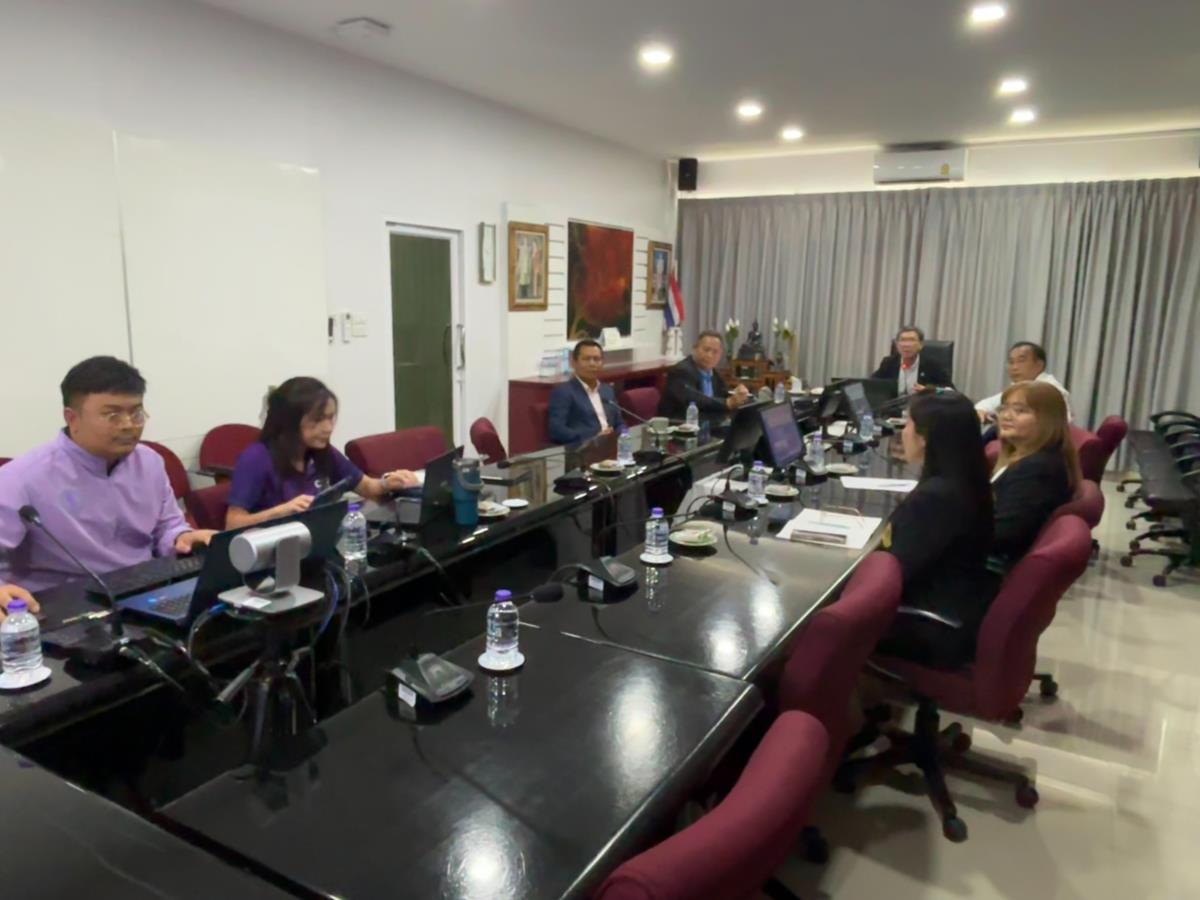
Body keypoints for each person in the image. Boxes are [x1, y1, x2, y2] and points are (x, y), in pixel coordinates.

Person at [0, 356, 216, 613]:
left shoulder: (150, 462)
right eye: (112, 415)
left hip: (147, 590)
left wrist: (183, 537)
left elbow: (167, 527)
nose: (128, 425)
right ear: (72, 418)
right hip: (67, 606)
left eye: (136, 413)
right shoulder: (21, 478)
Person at [875, 392, 999, 669]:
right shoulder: (966, 478)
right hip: (956, 605)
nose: (903, 432)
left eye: (908, 424)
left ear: (926, 438)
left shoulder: (937, 497)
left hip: (929, 624)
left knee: (820, 620)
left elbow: (890, 575)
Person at [226, 377, 419, 529]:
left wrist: (388, 482)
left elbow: (367, 487)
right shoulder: (256, 459)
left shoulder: (322, 452)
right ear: (289, 420)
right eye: (318, 420)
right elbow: (233, 524)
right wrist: (279, 513)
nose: (328, 428)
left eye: (331, 418)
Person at [990, 380, 1079, 564]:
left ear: (1046, 420)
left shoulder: (1037, 469)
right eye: (1004, 408)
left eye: (1020, 410)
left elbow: (1003, 535)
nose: (1006, 416)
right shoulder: (1025, 457)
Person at [658, 330, 751, 421]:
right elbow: (695, 399)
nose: (710, 355)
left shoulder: (715, 374)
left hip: (707, 424)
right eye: (706, 350)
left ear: (720, 355)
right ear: (694, 349)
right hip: (678, 425)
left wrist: (739, 395)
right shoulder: (681, 371)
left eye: (715, 352)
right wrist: (727, 403)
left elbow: (724, 395)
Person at [546, 340, 622, 445]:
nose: (592, 364)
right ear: (573, 363)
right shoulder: (563, 392)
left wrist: (623, 436)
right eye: (586, 359)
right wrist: (594, 437)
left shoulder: (607, 390)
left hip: (612, 446)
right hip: (583, 449)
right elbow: (557, 430)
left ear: (602, 363)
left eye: (596, 359)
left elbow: (619, 422)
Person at [976, 341, 1072, 424]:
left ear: (1039, 365)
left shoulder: (1050, 390)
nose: (1014, 367)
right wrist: (981, 411)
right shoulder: (1020, 387)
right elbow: (986, 404)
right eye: (1011, 362)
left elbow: (1060, 424)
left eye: (1021, 361)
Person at [870, 325, 953, 395]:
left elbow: (950, 392)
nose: (906, 345)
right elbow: (871, 384)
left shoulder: (932, 365)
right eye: (903, 340)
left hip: (922, 407)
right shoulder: (889, 363)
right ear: (897, 345)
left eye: (911, 340)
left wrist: (929, 391)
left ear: (921, 345)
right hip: (894, 408)